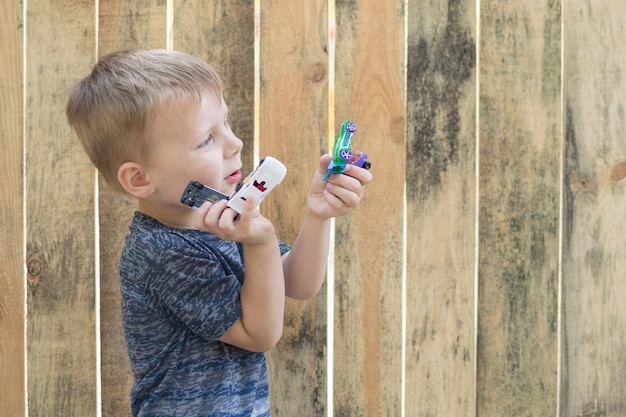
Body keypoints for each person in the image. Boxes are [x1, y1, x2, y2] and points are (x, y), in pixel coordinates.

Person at [66, 49, 372, 417]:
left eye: (225, 124)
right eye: (206, 140)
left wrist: (318, 215)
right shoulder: (161, 252)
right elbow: (259, 334)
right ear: (140, 178)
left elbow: (296, 282)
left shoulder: (219, 218)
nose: (235, 144)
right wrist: (258, 241)